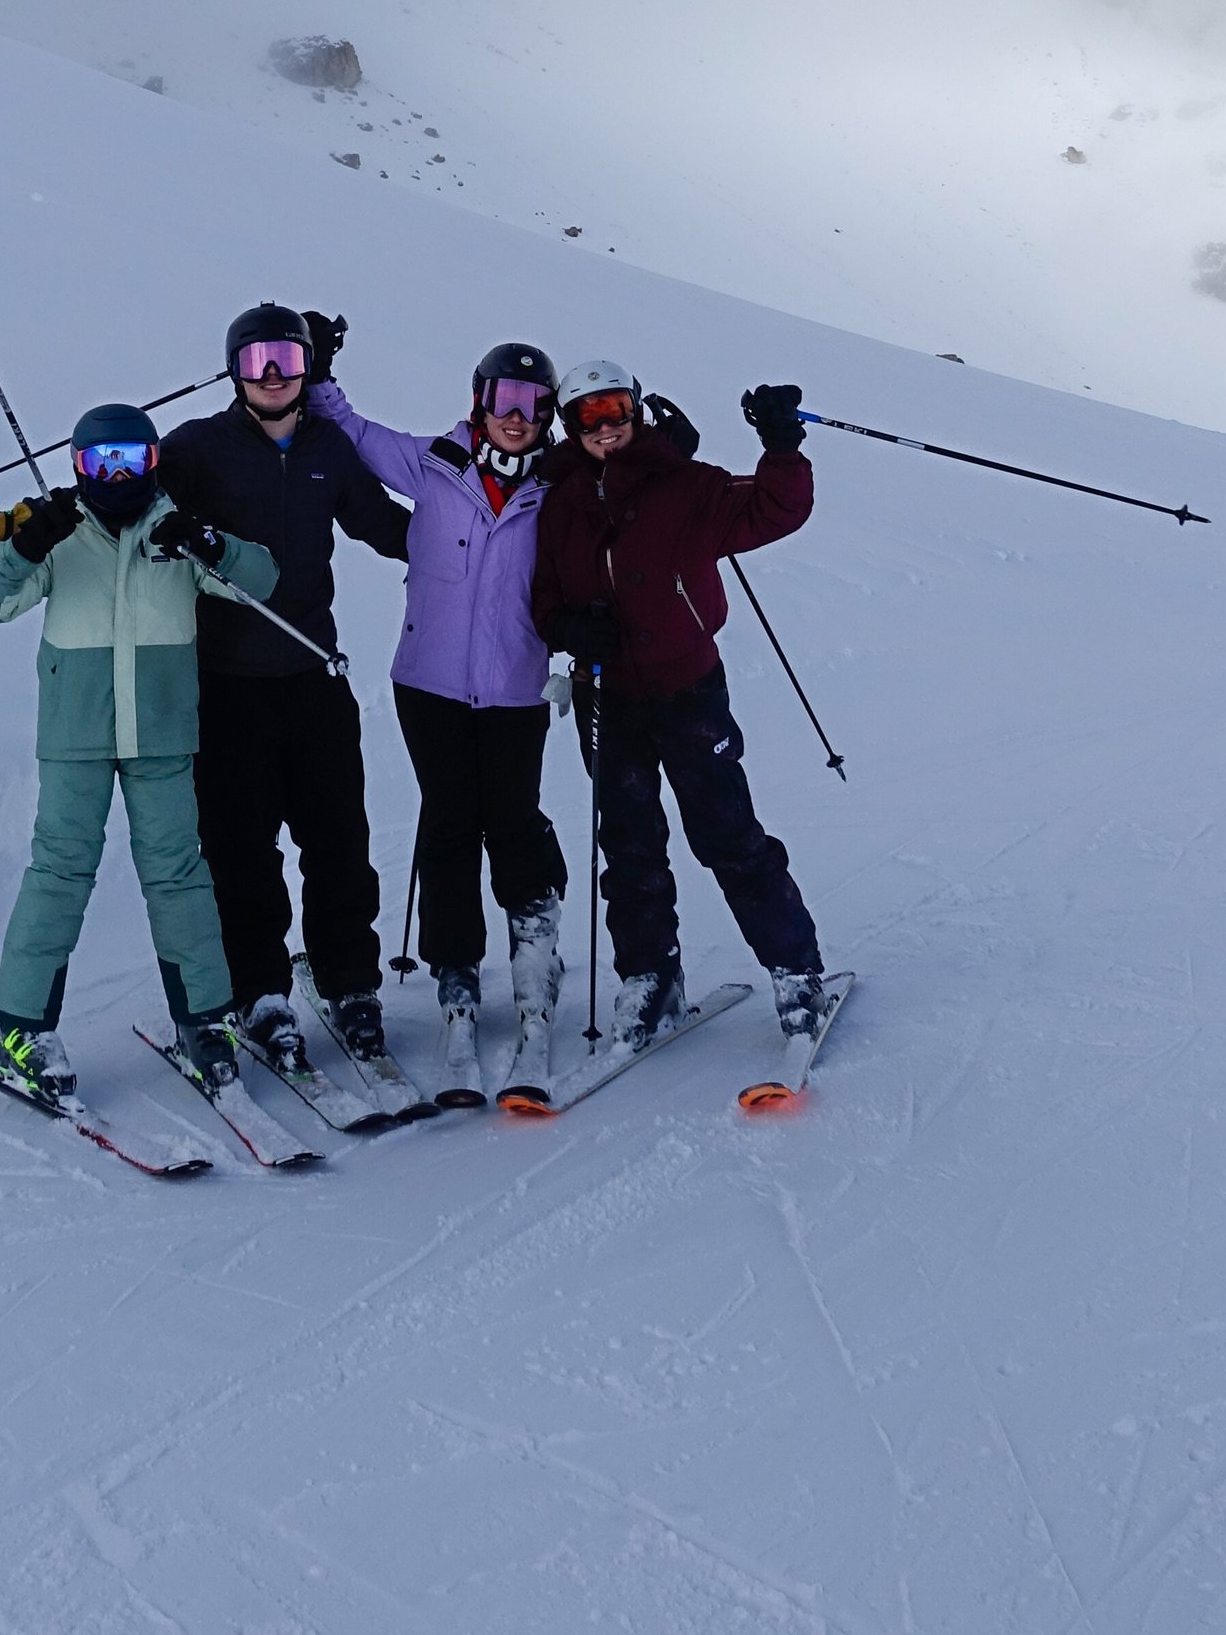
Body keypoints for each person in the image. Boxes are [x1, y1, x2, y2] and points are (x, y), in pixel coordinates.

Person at [0, 402, 279, 1104]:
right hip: (76, 732)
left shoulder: (171, 532)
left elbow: (263, 580)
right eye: (100, 463)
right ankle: (19, 1026)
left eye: (130, 461)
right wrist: (23, 545)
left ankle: (205, 1020)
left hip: (162, 731)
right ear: (78, 467)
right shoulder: (60, 534)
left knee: (178, 875)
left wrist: (206, 542)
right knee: (61, 871)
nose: (115, 475)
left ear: (152, 462)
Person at [531, 362, 829, 1050]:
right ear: (570, 427)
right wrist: (568, 629)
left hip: (686, 687)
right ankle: (650, 976)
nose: (607, 427)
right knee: (629, 844)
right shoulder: (558, 501)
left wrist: (782, 448)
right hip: (605, 692)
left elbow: (776, 510)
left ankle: (794, 967)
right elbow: (543, 594)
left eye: (617, 409)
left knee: (728, 833)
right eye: (589, 415)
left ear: (637, 411)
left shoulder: (688, 485)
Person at [306, 324, 568, 1101]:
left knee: (513, 823)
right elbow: (354, 434)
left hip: (516, 688)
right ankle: (456, 982)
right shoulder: (437, 465)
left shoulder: (558, 492)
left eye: (533, 403)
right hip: (427, 685)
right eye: (503, 398)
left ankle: (533, 972)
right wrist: (318, 372)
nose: (516, 416)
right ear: (478, 402)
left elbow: (629, 484)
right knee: (450, 824)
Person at [158, 302, 411, 1072]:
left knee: (338, 840)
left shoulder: (329, 447)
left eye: (289, 361)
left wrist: (484, 531)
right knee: (241, 849)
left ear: (309, 371)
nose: (273, 375)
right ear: (233, 368)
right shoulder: (198, 447)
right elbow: (134, 508)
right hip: (226, 685)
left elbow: (389, 528)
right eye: (258, 359)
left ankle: (350, 986)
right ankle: (261, 992)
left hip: (313, 677)